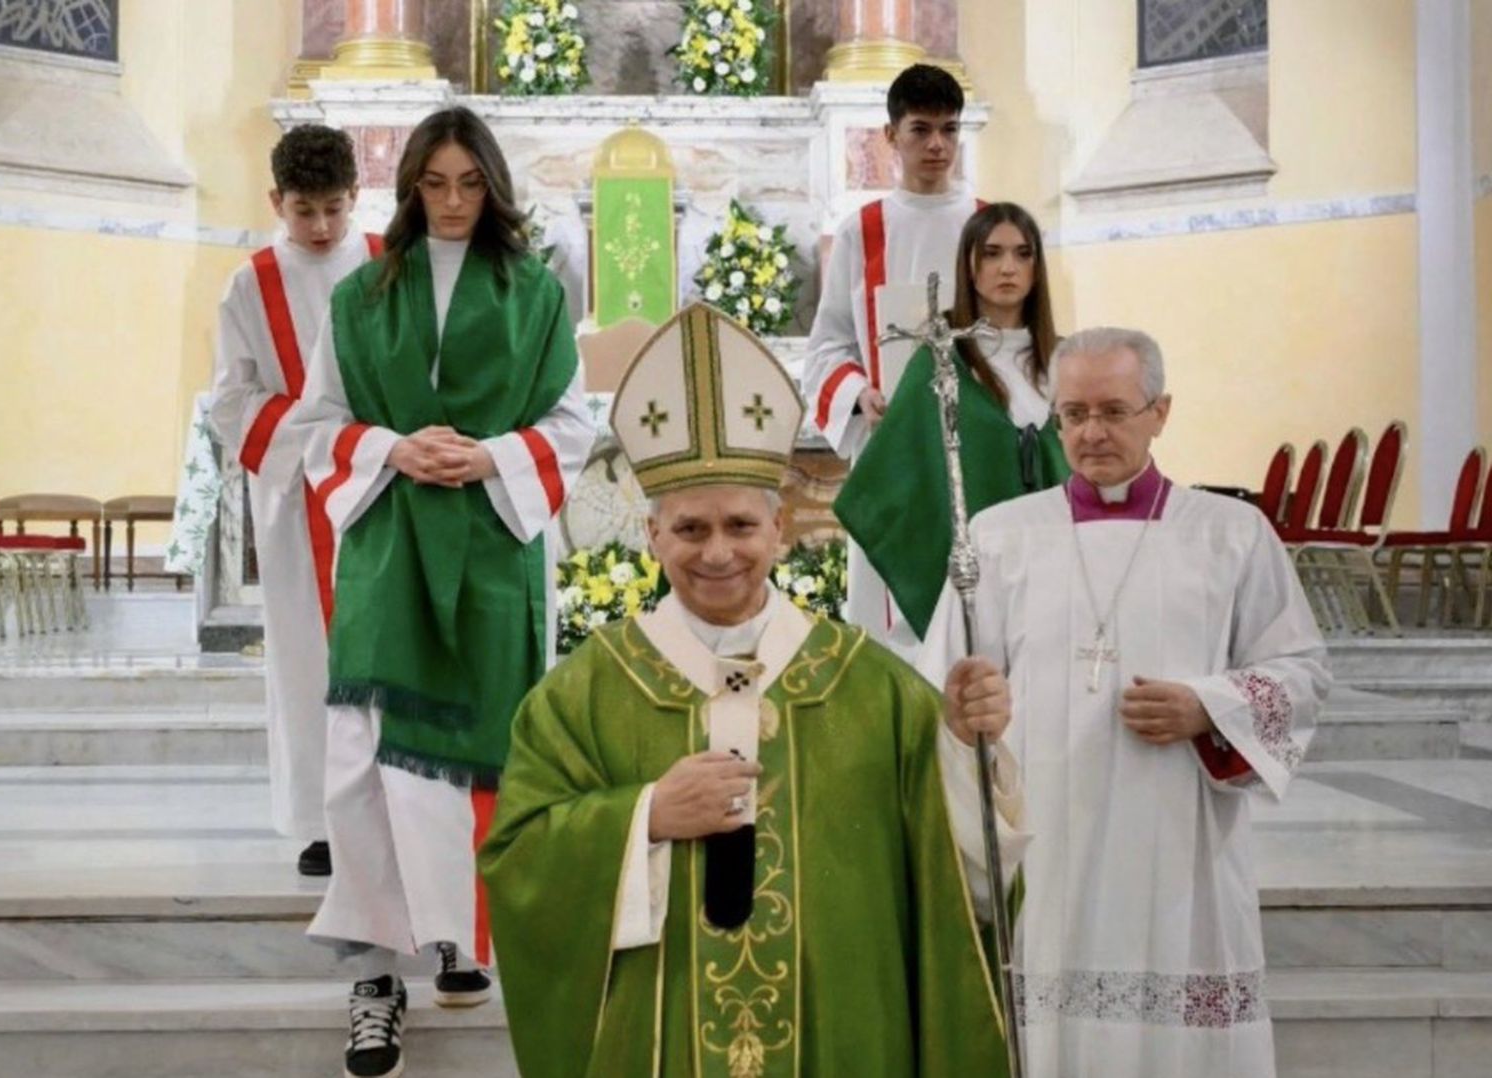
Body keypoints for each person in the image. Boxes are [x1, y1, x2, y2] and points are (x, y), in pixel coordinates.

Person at [481, 302, 1023, 1078]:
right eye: (691, 529)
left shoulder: (873, 688)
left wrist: (972, 750)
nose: (718, 552)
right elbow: (519, 863)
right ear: (652, 535)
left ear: (780, 530)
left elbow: (958, 878)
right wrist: (644, 818)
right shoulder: (583, 696)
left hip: (842, 1032)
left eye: (740, 525)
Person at [918, 327, 1330, 1077]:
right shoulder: (999, 538)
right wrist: (963, 708)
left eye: (1113, 409)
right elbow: (942, 688)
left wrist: (1211, 708)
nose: (1091, 432)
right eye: (1072, 414)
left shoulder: (1230, 535)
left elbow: (1300, 672)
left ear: (1160, 412)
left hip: (1179, 845)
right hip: (1049, 842)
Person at [283, 106, 595, 1078]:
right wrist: (392, 446)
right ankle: (374, 974)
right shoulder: (364, 294)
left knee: (477, 757)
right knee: (366, 755)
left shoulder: (535, 291)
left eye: (468, 183)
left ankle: (462, 938)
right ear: (410, 185)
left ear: (491, 186)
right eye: (435, 183)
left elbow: (572, 424)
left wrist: (492, 454)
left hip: (492, 552)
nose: (453, 201)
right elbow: (317, 421)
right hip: (386, 543)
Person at [207, 124, 380, 877]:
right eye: (303, 210)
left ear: (357, 198)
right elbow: (232, 400)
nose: (319, 228)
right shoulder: (250, 284)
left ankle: (393, 803)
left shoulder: (388, 266)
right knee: (307, 657)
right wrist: (322, 437)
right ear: (276, 200)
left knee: (387, 655)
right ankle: (319, 819)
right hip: (299, 499)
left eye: (334, 210)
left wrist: (371, 444)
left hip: (384, 486)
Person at [802, 62, 981, 659]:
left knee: (978, 616)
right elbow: (828, 346)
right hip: (893, 449)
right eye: (921, 129)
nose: (937, 146)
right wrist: (858, 394)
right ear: (890, 137)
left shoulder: (989, 225)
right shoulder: (864, 231)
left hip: (975, 447)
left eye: (950, 130)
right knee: (892, 632)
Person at [835, 200, 1068, 646]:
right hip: (976, 580)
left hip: (1056, 574)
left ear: (1037, 268)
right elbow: (885, 487)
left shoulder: (1064, 360)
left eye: (1022, 254)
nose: (1007, 268)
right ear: (969, 266)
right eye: (992, 253)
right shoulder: (941, 360)